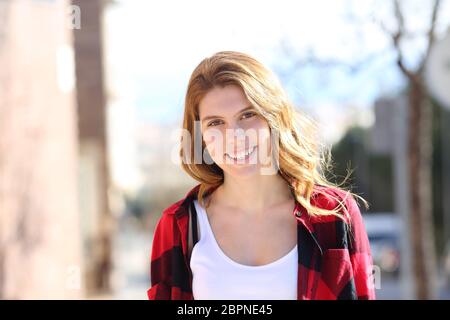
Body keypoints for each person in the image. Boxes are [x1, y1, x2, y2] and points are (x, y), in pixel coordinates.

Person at [147, 51, 376, 300]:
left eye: (247, 115)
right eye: (215, 123)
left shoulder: (335, 215)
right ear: (200, 135)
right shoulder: (178, 226)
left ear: (273, 118)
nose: (235, 136)